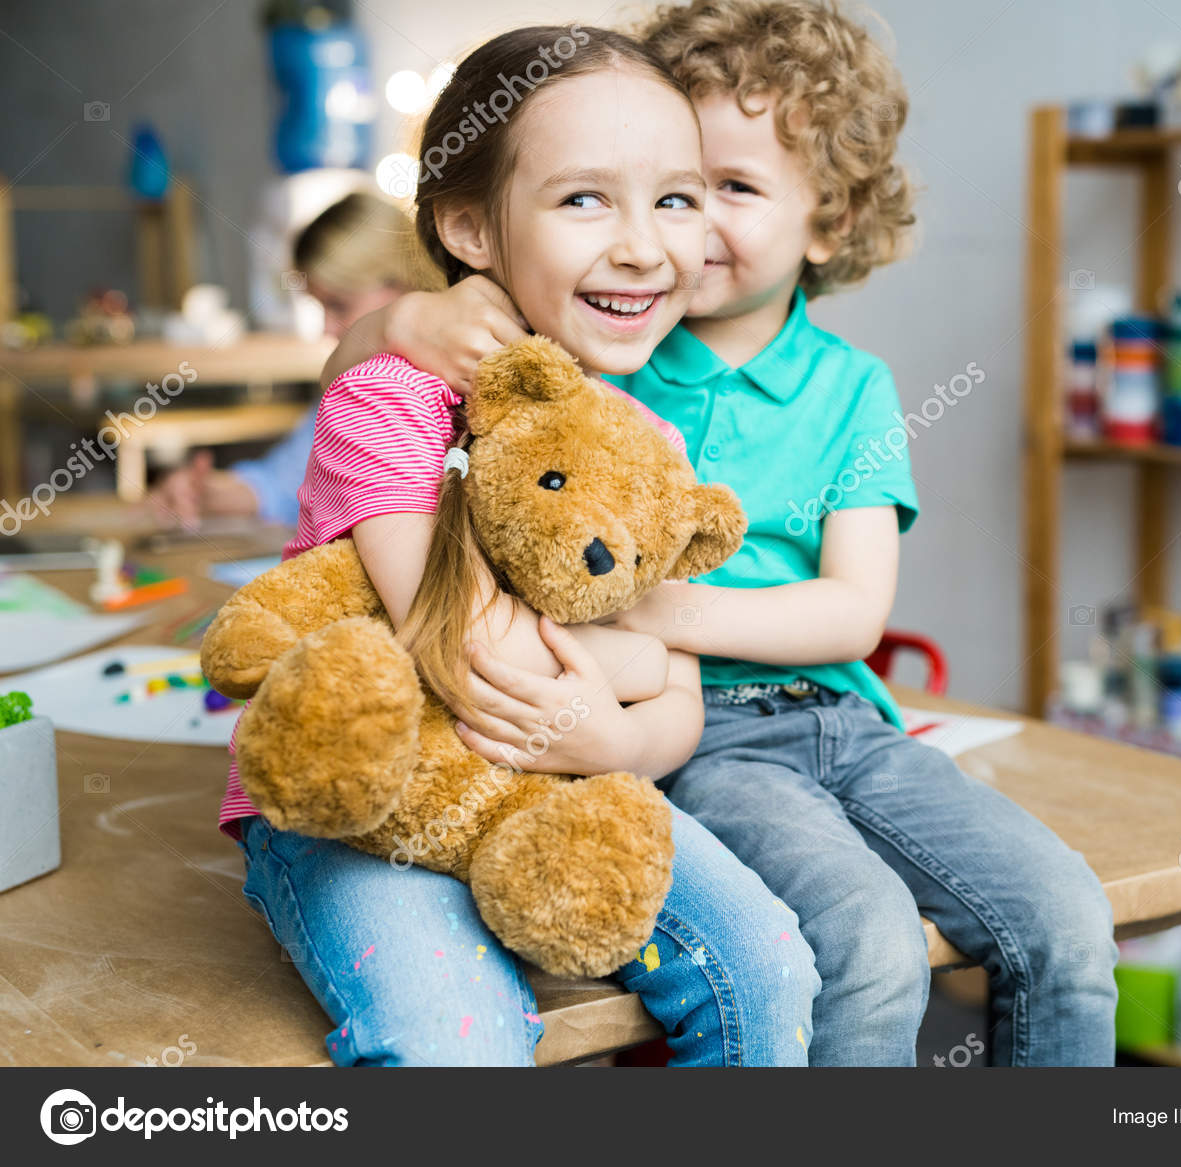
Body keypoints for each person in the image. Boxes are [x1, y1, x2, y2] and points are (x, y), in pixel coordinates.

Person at [326, 0, 1118, 1067]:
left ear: (830, 221)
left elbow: (853, 614)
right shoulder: (604, 342)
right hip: (697, 736)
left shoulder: (847, 386)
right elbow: (368, 388)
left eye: (717, 191)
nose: (672, 234)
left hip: (841, 715)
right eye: (672, 187)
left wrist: (654, 612)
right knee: (869, 947)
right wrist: (403, 320)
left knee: (1068, 917)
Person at [227, 25, 819, 1067]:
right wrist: (635, 662)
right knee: (454, 1036)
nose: (643, 247)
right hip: (368, 805)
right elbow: (467, 647)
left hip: (563, 787)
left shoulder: (644, 441)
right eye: (585, 199)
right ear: (468, 227)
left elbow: (678, 706)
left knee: (769, 970)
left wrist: (620, 744)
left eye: (675, 200)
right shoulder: (390, 398)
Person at [146, 192, 430, 529]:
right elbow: (285, 481)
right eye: (321, 307)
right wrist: (208, 494)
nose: (326, 329)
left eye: (339, 305)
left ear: (404, 283)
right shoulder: (356, 390)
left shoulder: (440, 389)